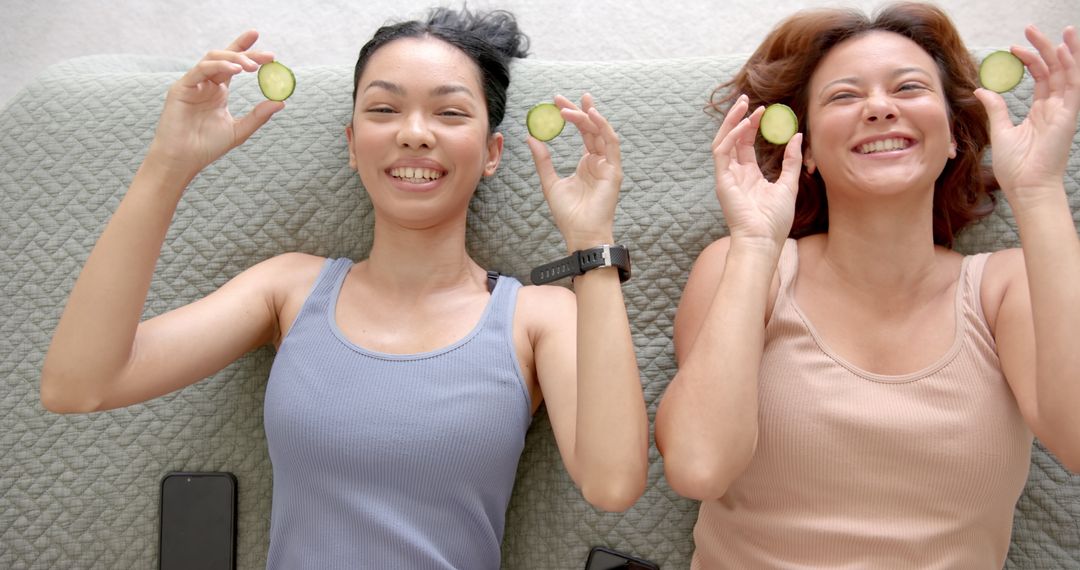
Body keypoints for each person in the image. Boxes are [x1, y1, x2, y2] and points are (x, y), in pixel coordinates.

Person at [39, 7, 648, 569]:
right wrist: (168, 164)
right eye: (383, 110)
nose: (414, 133)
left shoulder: (537, 316)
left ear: (492, 153)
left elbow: (613, 483)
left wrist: (590, 239)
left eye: (450, 112)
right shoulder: (288, 287)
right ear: (353, 145)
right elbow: (79, 385)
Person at [654, 2, 1079, 568]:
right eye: (844, 96)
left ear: (954, 138)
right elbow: (698, 467)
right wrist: (756, 243)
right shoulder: (745, 264)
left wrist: (1040, 190)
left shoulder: (1005, 286)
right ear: (804, 151)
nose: (879, 108)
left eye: (908, 88)